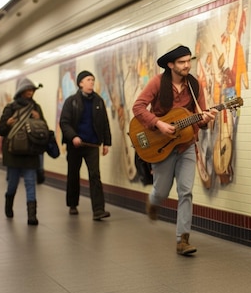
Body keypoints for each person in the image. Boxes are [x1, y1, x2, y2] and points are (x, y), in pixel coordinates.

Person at [132, 45, 216, 255]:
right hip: (160, 144)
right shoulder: (158, 83)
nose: (187, 65)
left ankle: (183, 240)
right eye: (181, 62)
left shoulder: (195, 85)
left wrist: (205, 120)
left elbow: (201, 116)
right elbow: (138, 107)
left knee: (185, 191)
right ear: (170, 65)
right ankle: (153, 201)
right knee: (161, 191)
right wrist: (158, 124)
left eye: (189, 61)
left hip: (186, 145)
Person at [59, 70, 112, 220]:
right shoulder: (71, 101)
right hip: (75, 145)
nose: (91, 83)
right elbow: (64, 122)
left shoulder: (98, 101)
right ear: (81, 83)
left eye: (93, 80)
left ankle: (98, 210)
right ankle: (72, 204)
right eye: (88, 80)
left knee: (95, 176)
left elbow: (104, 123)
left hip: (92, 145)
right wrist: (73, 136)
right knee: (73, 175)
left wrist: (106, 143)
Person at [0, 78, 46, 225]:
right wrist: (7, 123)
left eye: (32, 90)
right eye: (28, 89)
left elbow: (43, 130)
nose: (31, 92)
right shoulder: (10, 108)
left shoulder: (36, 108)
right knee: (13, 183)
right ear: (21, 91)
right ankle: (8, 206)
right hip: (14, 153)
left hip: (30, 152)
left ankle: (32, 216)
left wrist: (39, 119)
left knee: (30, 182)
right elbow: (0, 130)